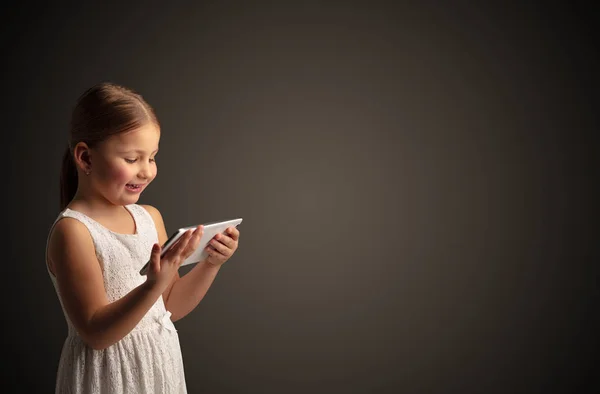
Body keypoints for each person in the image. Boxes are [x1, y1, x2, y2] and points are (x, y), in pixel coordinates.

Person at [45, 82, 240, 393]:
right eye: (132, 159)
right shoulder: (74, 231)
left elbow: (168, 307)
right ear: (85, 158)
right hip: (108, 375)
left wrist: (211, 264)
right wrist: (153, 284)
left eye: (152, 157)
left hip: (157, 367)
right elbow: (96, 334)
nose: (148, 171)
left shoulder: (150, 218)